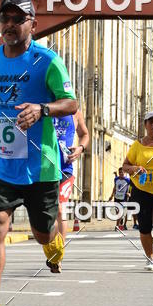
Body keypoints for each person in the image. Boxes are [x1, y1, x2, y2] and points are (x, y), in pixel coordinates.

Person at [0, 0, 78, 306]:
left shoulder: (47, 61)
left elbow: (71, 103)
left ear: (33, 24)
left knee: (43, 233)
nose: (11, 25)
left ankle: (54, 246)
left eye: (19, 18)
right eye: (6, 18)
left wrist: (43, 109)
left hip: (39, 165)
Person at [47, 108, 89, 268]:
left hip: (65, 169)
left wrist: (80, 148)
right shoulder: (43, 105)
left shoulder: (76, 113)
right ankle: (52, 247)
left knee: (59, 208)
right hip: (44, 167)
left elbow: (85, 134)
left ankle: (58, 253)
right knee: (46, 213)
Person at [122, 112, 153, 270]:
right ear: (145, 125)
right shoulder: (137, 145)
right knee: (144, 226)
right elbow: (125, 166)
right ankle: (150, 258)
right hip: (141, 190)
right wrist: (135, 168)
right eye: (151, 122)